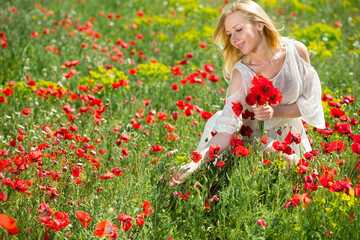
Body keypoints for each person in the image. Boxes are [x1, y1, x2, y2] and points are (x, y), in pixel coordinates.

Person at [168, 0, 325, 187]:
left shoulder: (296, 52)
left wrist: (275, 112)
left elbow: (310, 103)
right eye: (229, 34)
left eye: (239, 29)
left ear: (260, 25)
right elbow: (226, 130)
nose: (233, 39)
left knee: (305, 179)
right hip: (253, 138)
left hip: (290, 133)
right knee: (286, 166)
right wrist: (192, 164)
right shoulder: (242, 73)